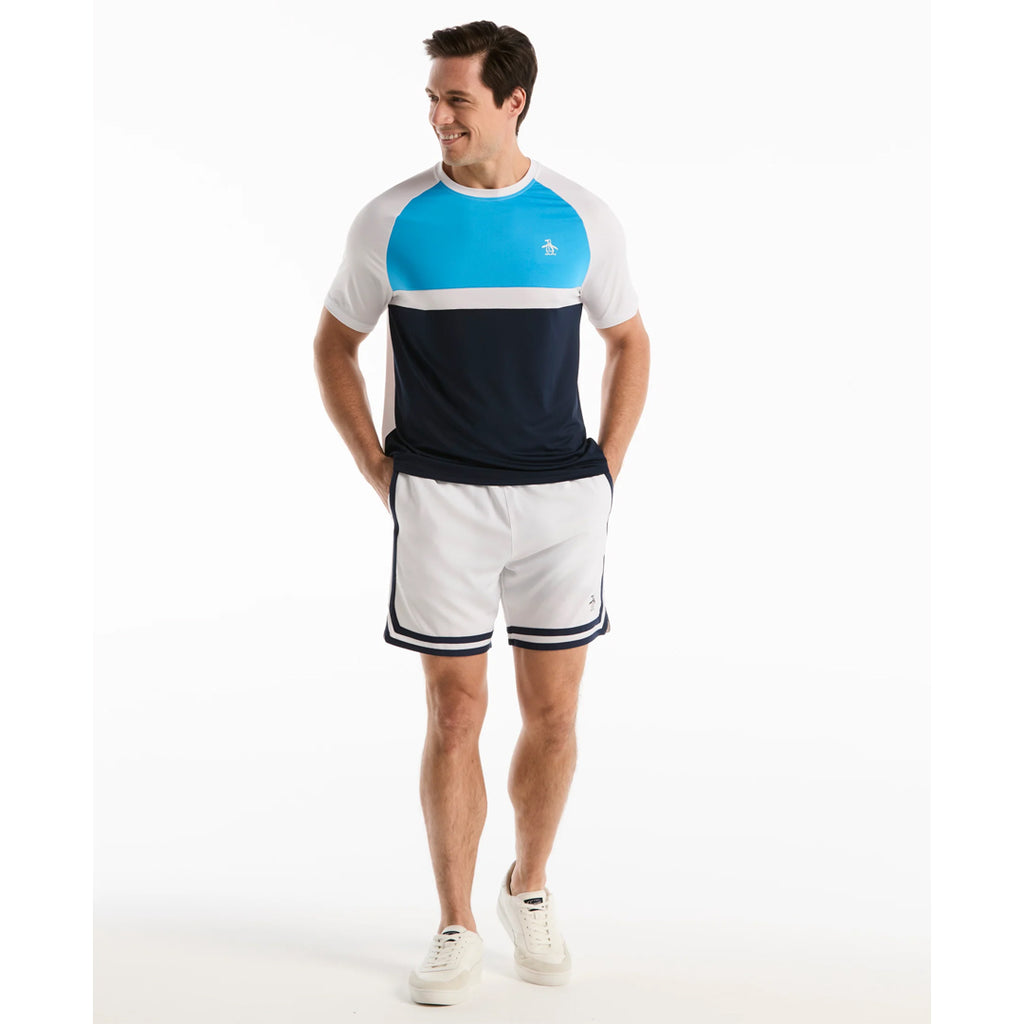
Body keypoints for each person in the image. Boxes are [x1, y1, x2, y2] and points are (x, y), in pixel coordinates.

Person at [313, 20, 650, 1006]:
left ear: (514, 102)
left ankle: (527, 887)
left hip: (560, 504)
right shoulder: (392, 219)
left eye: (456, 99)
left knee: (556, 712)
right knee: (454, 710)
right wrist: (379, 469)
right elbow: (334, 343)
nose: (438, 117)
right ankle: (455, 921)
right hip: (441, 502)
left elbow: (630, 341)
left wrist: (605, 473)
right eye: (432, 98)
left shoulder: (579, 218)